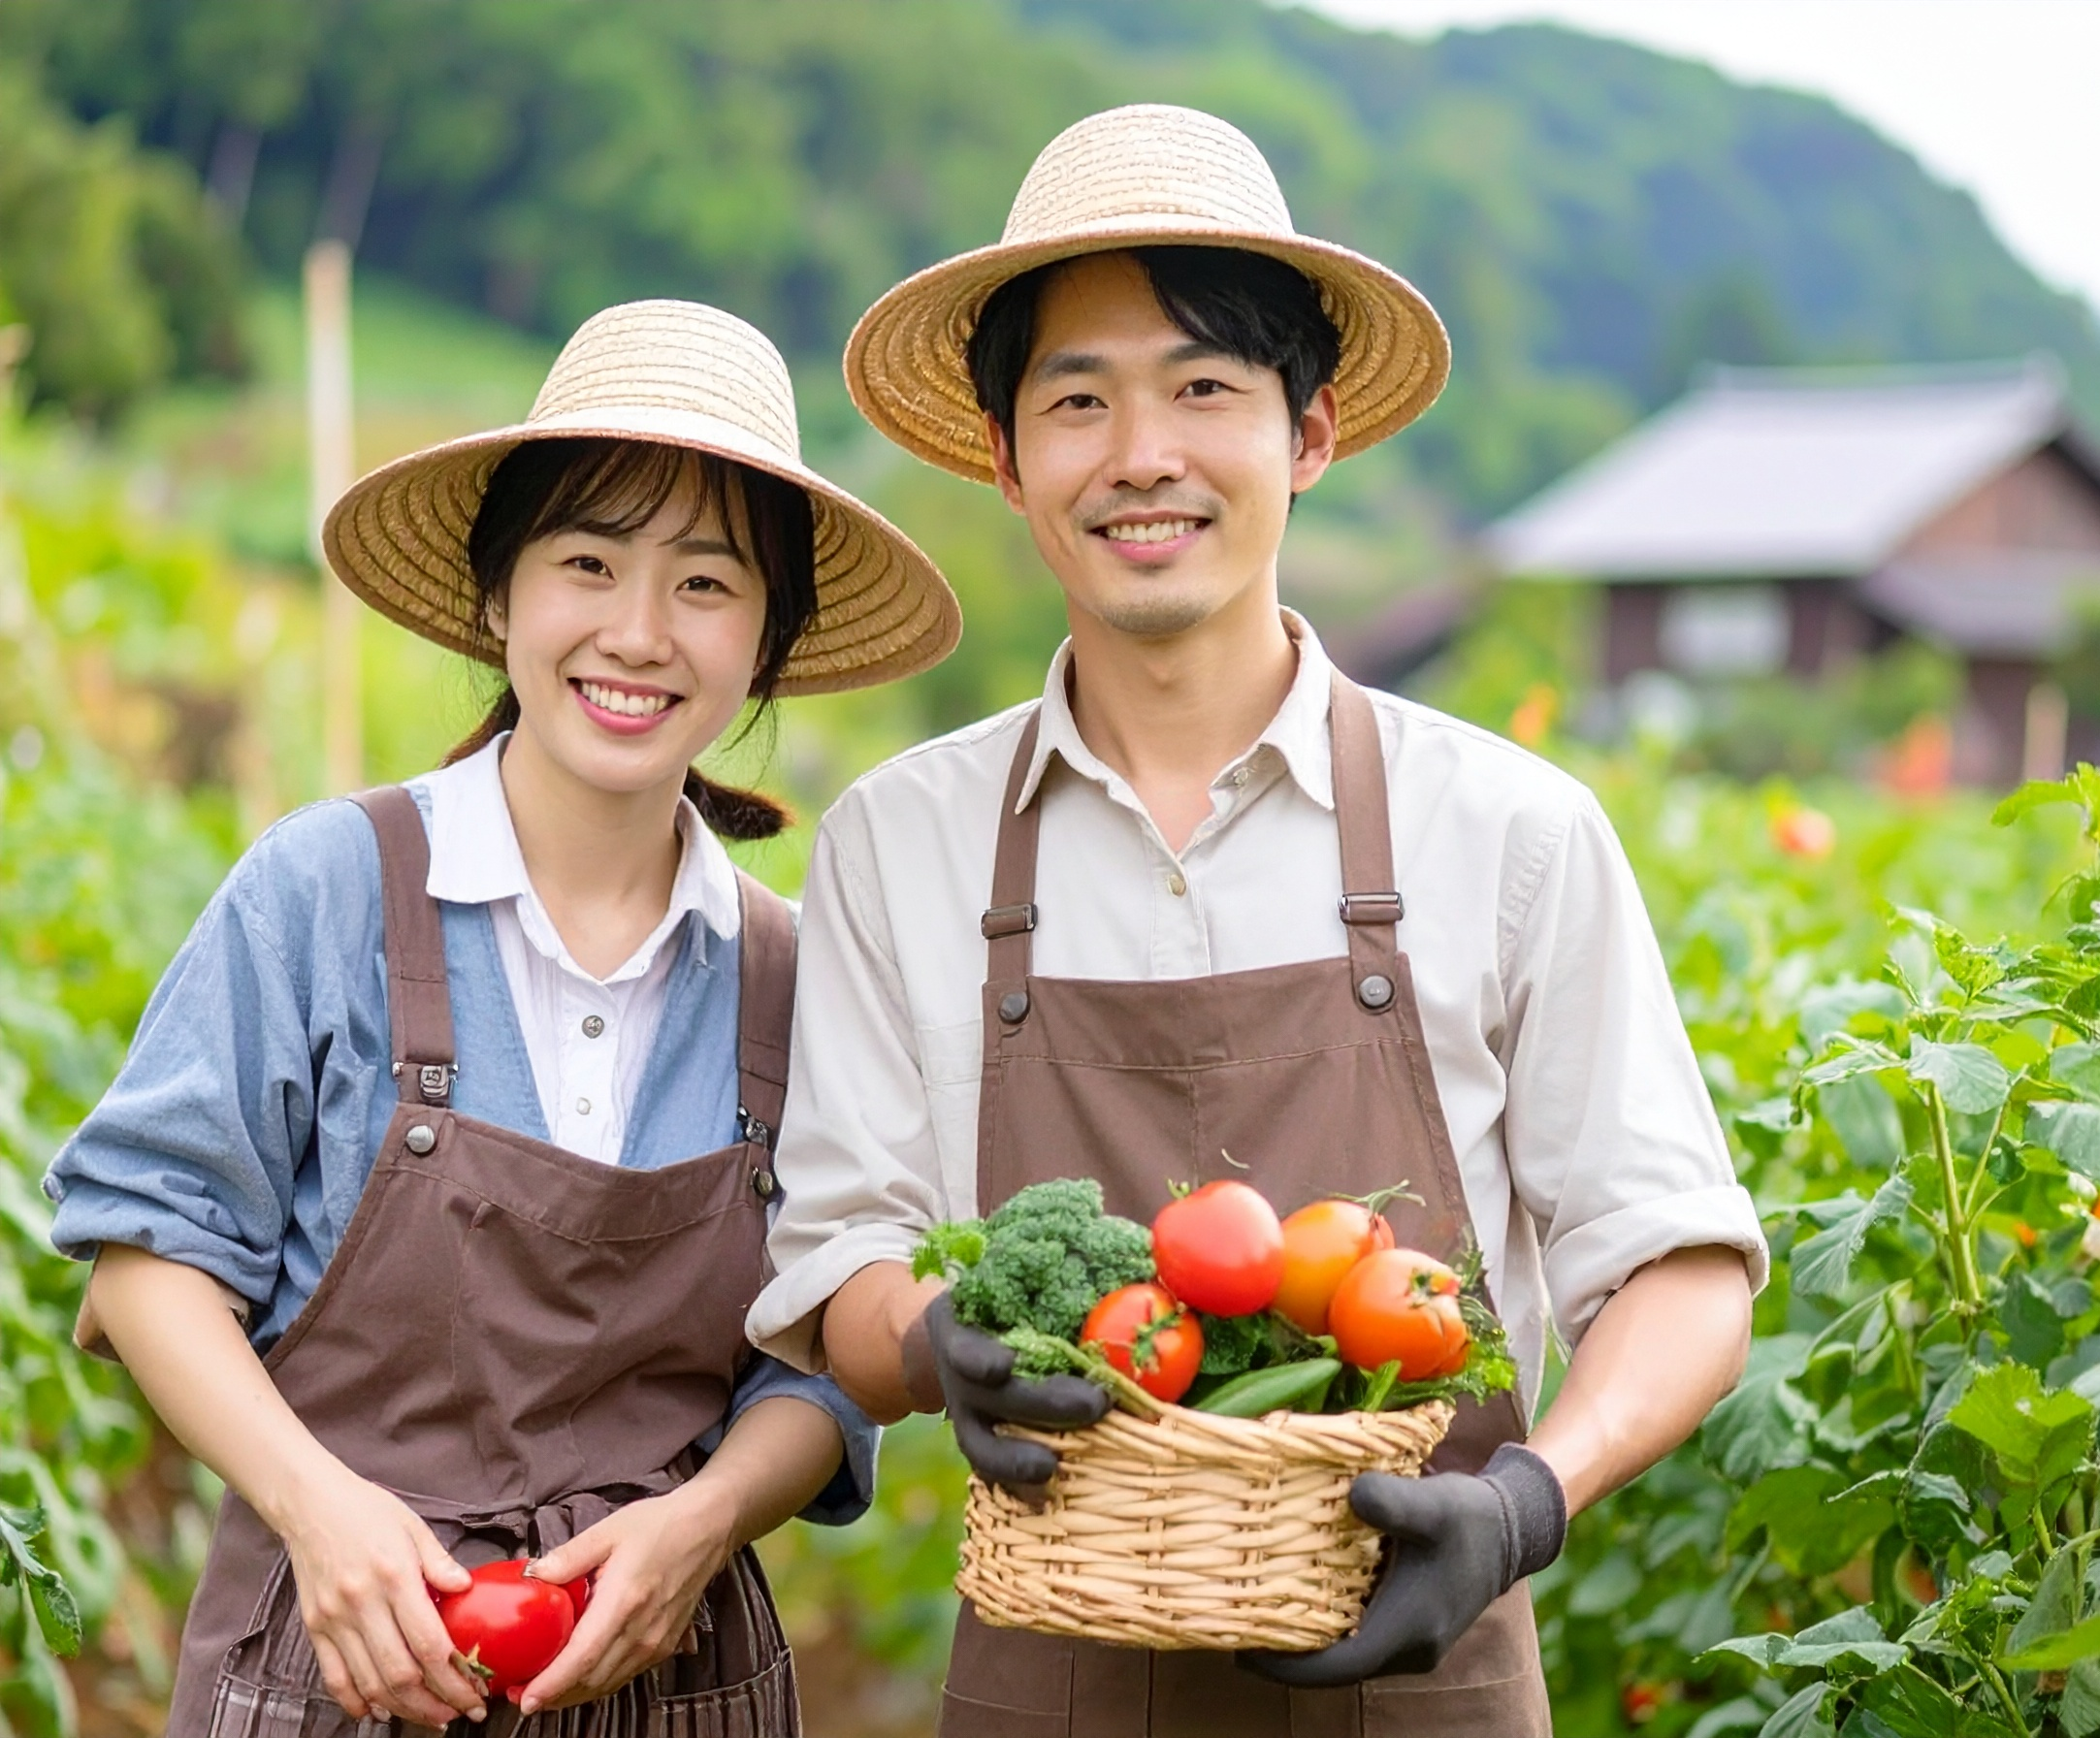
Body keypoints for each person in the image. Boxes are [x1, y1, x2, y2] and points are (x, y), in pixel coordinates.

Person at [749, 106, 1770, 1736]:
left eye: (1205, 388)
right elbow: (839, 1272)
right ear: (1006, 459)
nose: (1141, 452)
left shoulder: (1506, 829)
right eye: (1077, 399)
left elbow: (1679, 1266)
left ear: (1312, 433)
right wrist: (937, 1341)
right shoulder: (903, 843)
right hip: (1048, 1686)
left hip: (1428, 1676)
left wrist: (1526, 1500)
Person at [44, 300, 960, 1738]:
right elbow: (144, 1267)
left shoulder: (792, 978)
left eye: (708, 585)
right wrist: (321, 1513)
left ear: (769, 641)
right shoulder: (329, 890)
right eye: (589, 562)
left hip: (680, 1687)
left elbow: (819, 1368)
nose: (639, 633)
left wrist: (710, 1517)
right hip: (332, 1663)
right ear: (496, 593)